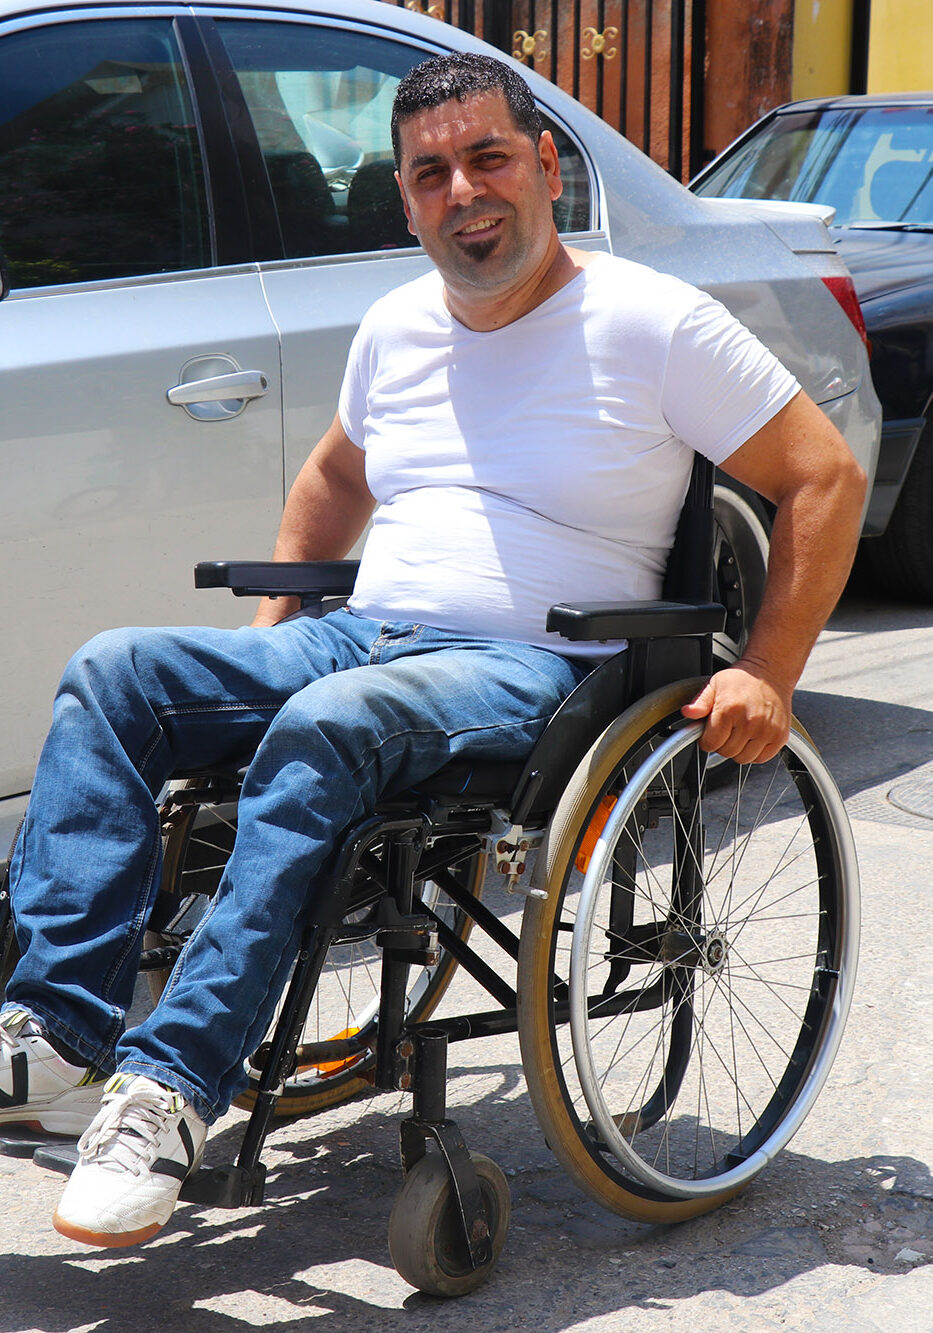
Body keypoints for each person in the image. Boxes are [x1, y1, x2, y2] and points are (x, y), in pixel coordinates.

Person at [0, 52, 866, 1248]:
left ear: (548, 167)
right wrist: (271, 642)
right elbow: (337, 475)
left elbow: (823, 474)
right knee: (116, 671)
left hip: (536, 665)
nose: (465, 191)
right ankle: (56, 1035)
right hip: (364, 638)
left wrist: (765, 674)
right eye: (431, 173)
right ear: (406, 200)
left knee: (326, 729)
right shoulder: (398, 323)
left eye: (490, 158)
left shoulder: (653, 321)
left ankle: (165, 1093)